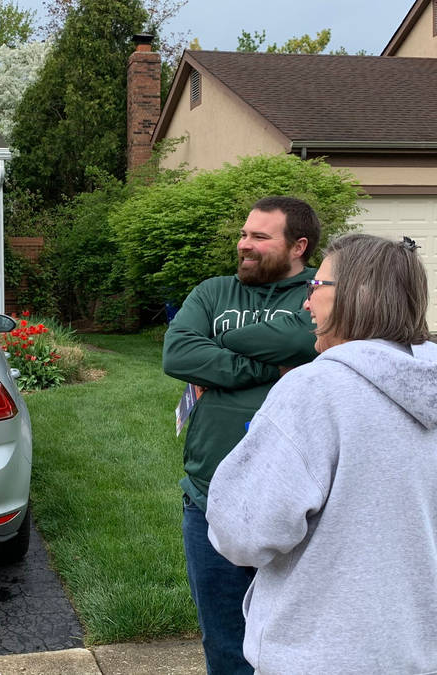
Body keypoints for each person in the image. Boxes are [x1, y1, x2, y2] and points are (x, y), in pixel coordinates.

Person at [206, 234, 437, 674]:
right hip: (418, 654)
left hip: (319, 656)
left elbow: (244, 534)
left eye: (317, 288)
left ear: (360, 295)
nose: (306, 305)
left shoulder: (314, 390)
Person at [162, 196, 322, 674]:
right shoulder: (213, 291)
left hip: (295, 502)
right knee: (226, 640)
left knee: (298, 640)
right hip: (209, 497)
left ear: (299, 246)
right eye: (244, 234)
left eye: (259, 237)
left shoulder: (317, 294)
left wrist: (218, 342)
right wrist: (273, 364)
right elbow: (178, 352)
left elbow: (306, 338)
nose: (244, 245)